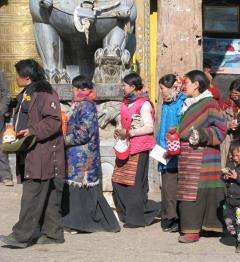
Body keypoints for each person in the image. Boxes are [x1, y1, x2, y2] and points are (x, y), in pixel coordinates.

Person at [0, 59, 65, 248]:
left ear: (27, 76)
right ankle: (53, 234)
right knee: (50, 195)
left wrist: (32, 131)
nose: (16, 77)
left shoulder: (45, 93)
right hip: (32, 151)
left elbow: (53, 121)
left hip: (44, 152)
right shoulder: (26, 93)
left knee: (32, 194)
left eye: (18, 74)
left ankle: (21, 236)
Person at [62, 75, 120, 233]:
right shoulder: (80, 105)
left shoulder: (86, 106)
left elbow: (84, 132)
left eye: (74, 88)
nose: (72, 91)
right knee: (78, 192)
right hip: (77, 155)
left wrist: (64, 139)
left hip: (83, 156)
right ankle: (76, 222)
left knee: (82, 191)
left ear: (82, 89)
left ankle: (81, 223)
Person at [177, 70, 227, 243]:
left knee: (194, 192)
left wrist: (201, 135)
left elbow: (221, 129)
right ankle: (197, 226)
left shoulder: (210, 103)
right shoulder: (189, 103)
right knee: (187, 190)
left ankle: (193, 229)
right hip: (187, 154)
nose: (184, 86)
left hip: (203, 154)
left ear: (196, 85)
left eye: (187, 82)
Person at [112, 72, 159, 228]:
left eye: (124, 85)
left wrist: (130, 132)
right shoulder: (125, 103)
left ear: (132, 87)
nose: (122, 88)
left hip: (139, 148)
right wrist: (119, 130)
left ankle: (136, 218)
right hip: (125, 147)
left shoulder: (144, 104)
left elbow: (149, 127)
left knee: (134, 184)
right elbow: (122, 122)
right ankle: (129, 213)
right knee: (118, 181)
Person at [156, 74, 186, 232]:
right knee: (167, 187)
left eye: (162, 89)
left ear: (173, 87)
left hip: (174, 152)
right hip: (163, 151)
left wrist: (172, 148)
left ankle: (174, 218)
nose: (161, 92)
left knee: (173, 187)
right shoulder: (166, 104)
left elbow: (181, 128)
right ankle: (169, 216)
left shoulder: (181, 103)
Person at [221, 79, 240, 167]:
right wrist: (228, 125)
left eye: (236, 93)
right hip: (228, 138)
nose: (234, 96)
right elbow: (218, 122)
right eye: (232, 93)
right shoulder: (224, 104)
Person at [0, 69, 13, 186]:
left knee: (1, 147)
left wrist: (1, 110)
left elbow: (6, 94)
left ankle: (5, 175)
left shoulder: (0, 73)